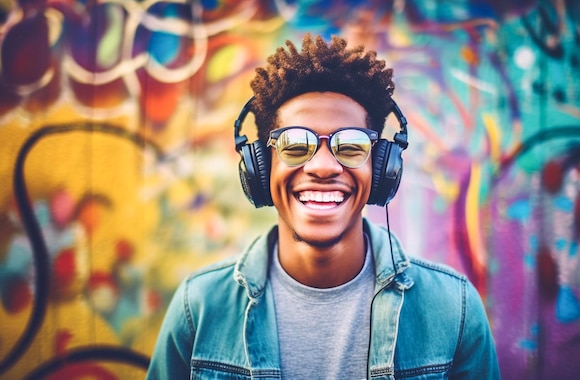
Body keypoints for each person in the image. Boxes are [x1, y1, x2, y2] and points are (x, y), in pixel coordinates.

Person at [146, 34, 500, 379]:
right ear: (263, 166)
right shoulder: (200, 309)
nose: (323, 166)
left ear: (380, 168)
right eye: (296, 144)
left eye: (350, 146)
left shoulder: (454, 310)